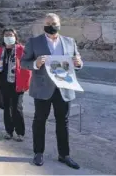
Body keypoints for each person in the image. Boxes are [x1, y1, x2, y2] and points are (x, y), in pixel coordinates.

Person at [21, 13, 82, 169]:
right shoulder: (34, 42)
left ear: (59, 24)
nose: (51, 25)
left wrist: (78, 62)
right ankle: (38, 153)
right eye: (47, 23)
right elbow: (23, 62)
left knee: (63, 122)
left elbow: (77, 60)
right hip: (43, 89)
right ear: (44, 25)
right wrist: (35, 63)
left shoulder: (69, 42)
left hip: (64, 89)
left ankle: (64, 155)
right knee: (40, 121)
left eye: (53, 22)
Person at [0, 28, 31, 141]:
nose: (8, 36)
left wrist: (26, 84)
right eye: (6, 35)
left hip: (17, 84)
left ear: (15, 37)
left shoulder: (21, 49)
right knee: (7, 108)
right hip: (3, 84)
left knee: (17, 108)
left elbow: (27, 69)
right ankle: (9, 131)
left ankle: (20, 132)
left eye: (11, 35)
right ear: (3, 37)